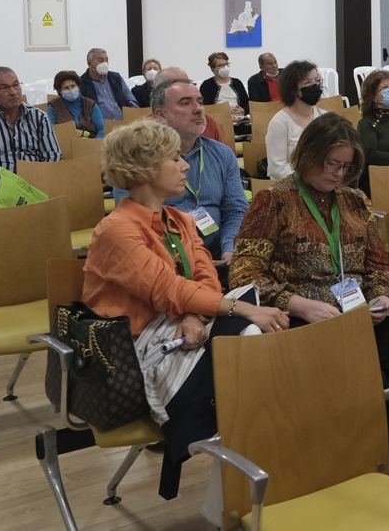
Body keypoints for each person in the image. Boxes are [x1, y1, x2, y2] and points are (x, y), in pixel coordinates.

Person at [229, 113, 389, 490]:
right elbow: (244, 274)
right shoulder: (274, 200)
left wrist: (382, 294)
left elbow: (379, 264)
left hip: (359, 313)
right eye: (330, 163)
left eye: (346, 167)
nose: (337, 173)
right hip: (305, 320)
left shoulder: (355, 201)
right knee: (371, 380)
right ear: (308, 155)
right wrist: (296, 303)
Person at [84, 120, 289, 499]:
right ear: (145, 169)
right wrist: (238, 309)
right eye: (175, 158)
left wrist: (196, 314)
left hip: (182, 325)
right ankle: (241, 483)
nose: (186, 166)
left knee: (254, 346)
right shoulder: (116, 229)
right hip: (134, 349)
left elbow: (205, 276)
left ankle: (239, 482)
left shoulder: (178, 220)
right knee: (251, 342)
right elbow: (167, 289)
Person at [115, 77, 247, 262]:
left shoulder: (222, 154)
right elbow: (136, 221)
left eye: (200, 102)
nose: (198, 109)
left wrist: (230, 249)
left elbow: (236, 209)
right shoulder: (139, 159)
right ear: (160, 115)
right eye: (185, 103)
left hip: (219, 255)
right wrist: (185, 261)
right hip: (164, 258)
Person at [0, 66, 61, 171]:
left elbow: (53, 156)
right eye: (4, 88)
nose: (13, 92)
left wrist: (41, 176)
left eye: (16, 85)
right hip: (0, 179)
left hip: (38, 176)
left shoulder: (39, 117)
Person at [265, 60, 325, 180]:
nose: (314, 86)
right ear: (293, 89)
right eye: (307, 82)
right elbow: (277, 169)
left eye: (316, 80)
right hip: (292, 185)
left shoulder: (324, 117)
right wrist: (308, 182)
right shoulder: (280, 123)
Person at [81, 47, 137, 122]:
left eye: (106, 60)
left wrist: (133, 112)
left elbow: (130, 98)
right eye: (100, 60)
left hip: (123, 123)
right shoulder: (82, 82)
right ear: (89, 63)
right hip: (99, 125)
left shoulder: (116, 77)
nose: (105, 63)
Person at [45, 69, 105, 139]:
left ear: (78, 86)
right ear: (59, 91)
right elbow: (51, 131)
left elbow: (100, 130)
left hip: (90, 143)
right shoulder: (53, 106)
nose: (71, 90)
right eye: (66, 88)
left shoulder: (91, 105)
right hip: (64, 143)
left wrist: (85, 135)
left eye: (73, 86)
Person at [199, 51, 250, 131]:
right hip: (218, 121)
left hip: (239, 119)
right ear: (213, 69)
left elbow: (246, 103)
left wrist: (243, 110)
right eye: (221, 65)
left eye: (226, 64)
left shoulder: (237, 82)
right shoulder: (207, 85)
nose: (225, 67)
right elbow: (206, 108)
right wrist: (225, 111)